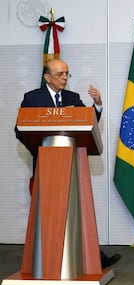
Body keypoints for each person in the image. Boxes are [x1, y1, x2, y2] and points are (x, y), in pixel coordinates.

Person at [16, 59, 120, 269]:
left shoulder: (73, 98)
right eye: (60, 74)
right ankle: (47, 261)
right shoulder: (32, 98)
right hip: (46, 165)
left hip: (72, 165)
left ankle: (89, 258)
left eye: (67, 74)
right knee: (49, 215)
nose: (65, 78)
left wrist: (97, 104)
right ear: (47, 77)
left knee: (76, 212)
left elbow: (87, 122)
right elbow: (20, 129)